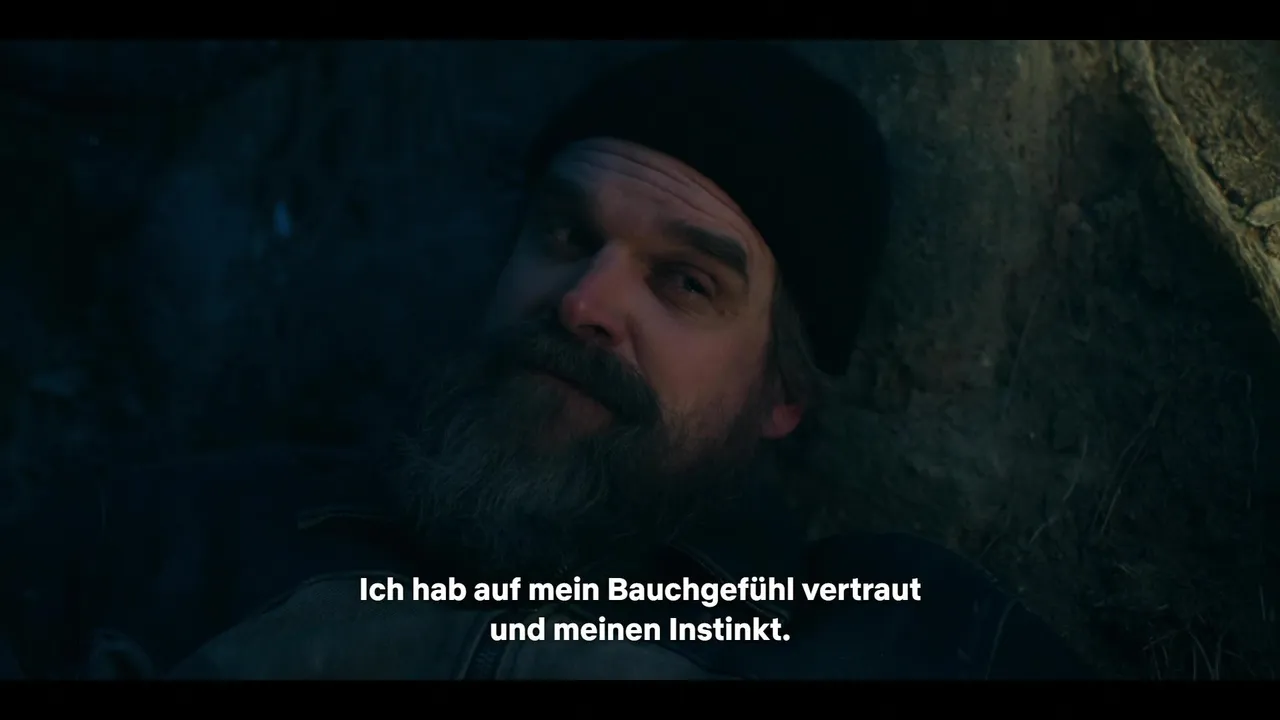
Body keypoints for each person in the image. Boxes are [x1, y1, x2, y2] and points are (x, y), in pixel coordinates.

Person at [0, 41, 1091, 679]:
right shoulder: (178, 537)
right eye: (567, 235)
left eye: (685, 283)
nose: (581, 304)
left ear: (782, 394)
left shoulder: (892, 633)